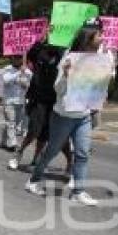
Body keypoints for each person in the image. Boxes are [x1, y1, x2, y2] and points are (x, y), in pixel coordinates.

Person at [25, 18, 113, 205]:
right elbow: (58, 90)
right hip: (64, 114)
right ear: (88, 38)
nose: (102, 37)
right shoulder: (70, 57)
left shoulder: (103, 57)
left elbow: (102, 84)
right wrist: (65, 75)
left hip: (84, 115)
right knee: (52, 151)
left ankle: (78, 191)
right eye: (98, 35)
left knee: (82, 153)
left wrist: (107, 70)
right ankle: (33, 180)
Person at [8, 41, 72, 172]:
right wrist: (41, 38)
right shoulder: (40, 49)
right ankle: (18, 153)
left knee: (57, 135)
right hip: (38, 98)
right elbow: (27, 53)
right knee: (34, 129)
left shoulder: (65, 52)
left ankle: (69, 162)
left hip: (57, 100)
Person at [0, 54, 31, 151]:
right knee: (11, 122)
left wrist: (25, 83)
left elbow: (29, 85)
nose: (17, 60)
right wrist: (18, 73)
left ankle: (4, 141)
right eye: (15, 57)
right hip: (9, 100)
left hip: (21, 101)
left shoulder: (28, 71)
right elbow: (5, 80)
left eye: (19, 57)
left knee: (14, 123)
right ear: (12, 58)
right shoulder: (7, 69)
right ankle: (12, 144)